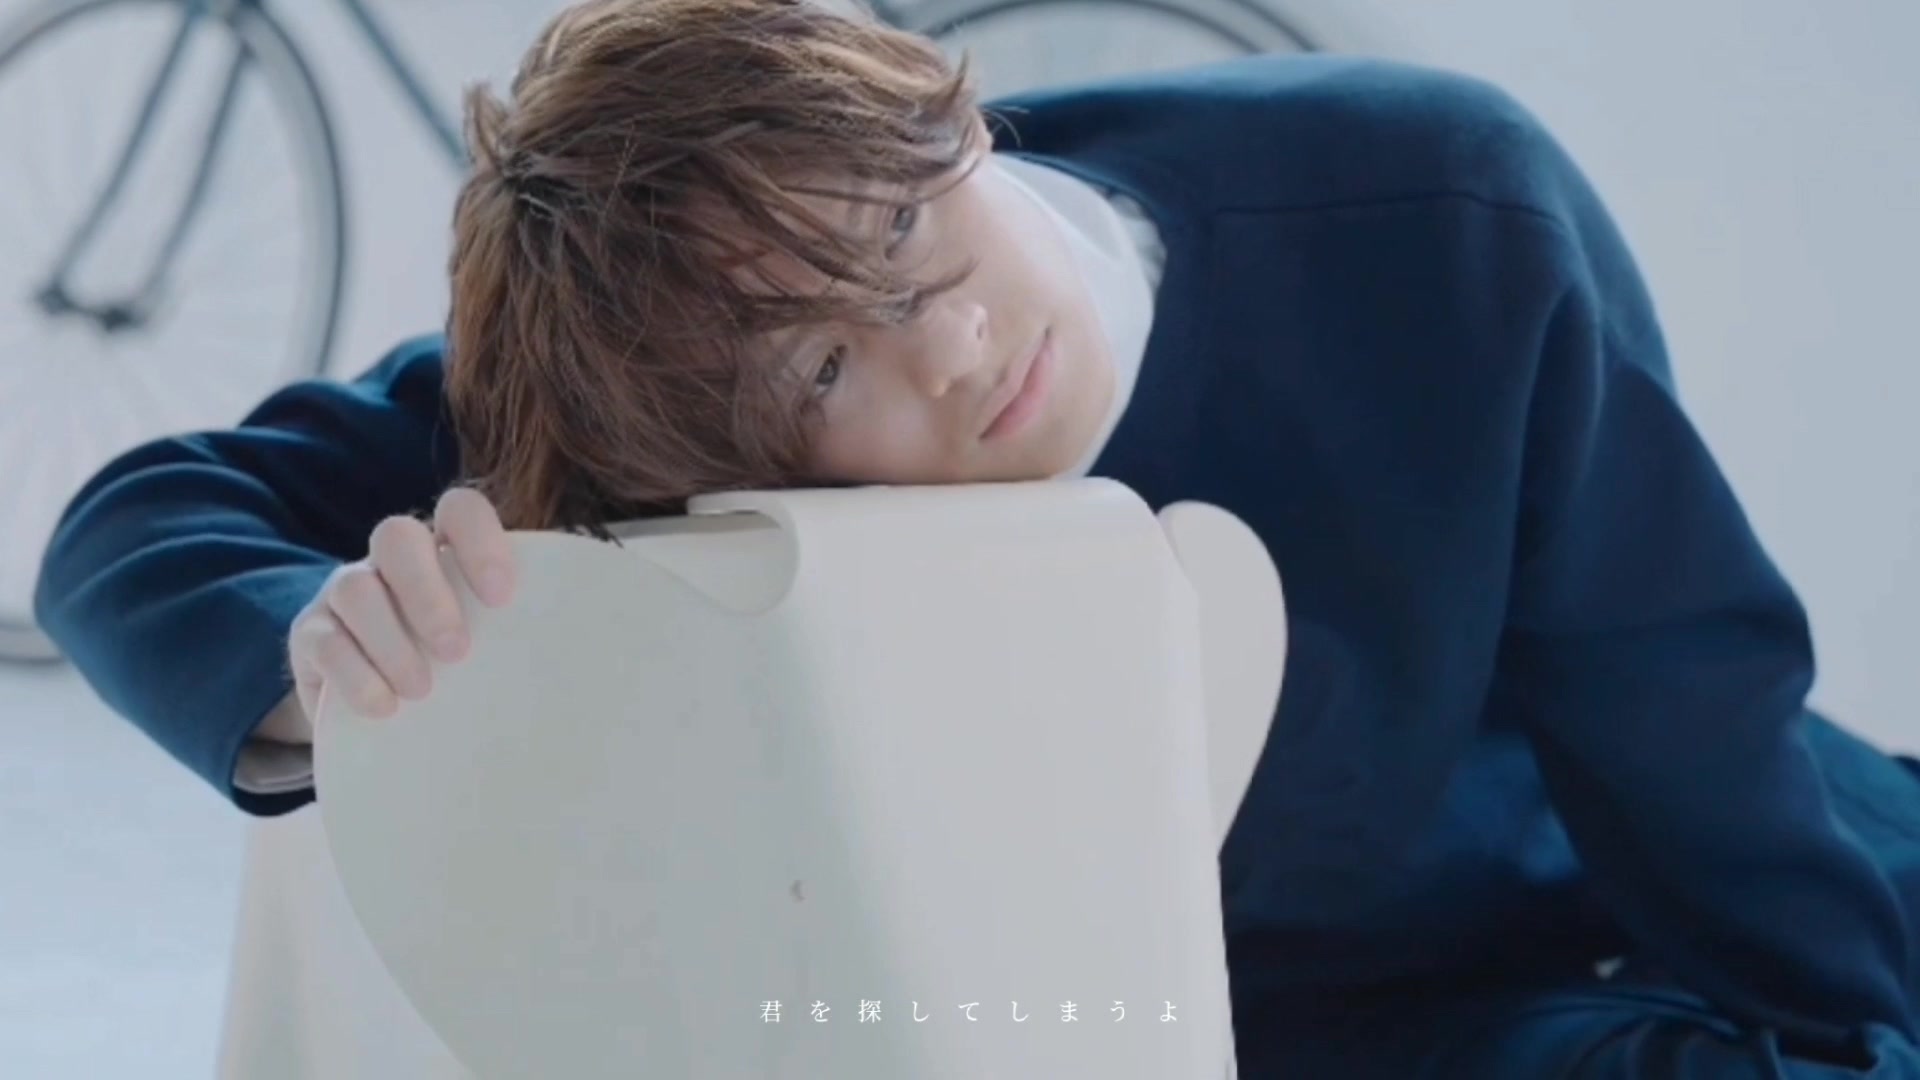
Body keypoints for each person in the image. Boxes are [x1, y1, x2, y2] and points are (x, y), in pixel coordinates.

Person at [32, 0, 1920, 1074]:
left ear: (953, 126)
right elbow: (135, 524)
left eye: (909, 240)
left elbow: (1689, 710)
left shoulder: (1436, 204)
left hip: (1682, 881)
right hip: (1253, 1022)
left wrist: (1837, 1035)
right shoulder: (654, 344)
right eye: (823, 370)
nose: (945, 351)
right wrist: (317, 656)